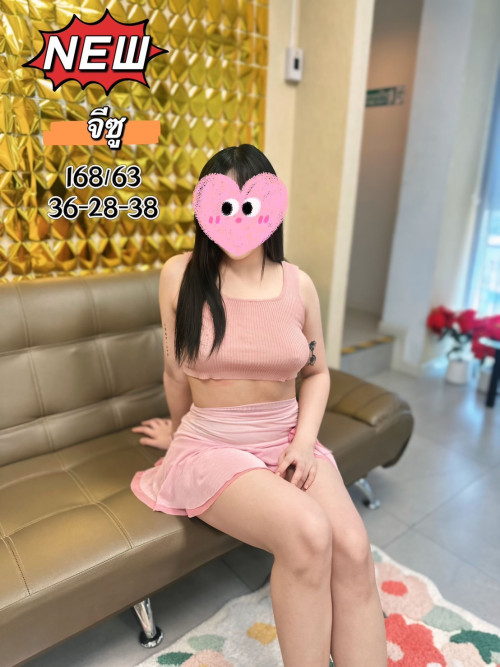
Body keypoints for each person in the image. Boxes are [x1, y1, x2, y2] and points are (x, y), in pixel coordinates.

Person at [130, 145, 388, 667]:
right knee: (308, 532)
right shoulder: (180, 276)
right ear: (206, 209)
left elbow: (317, 373)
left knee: (354, 549)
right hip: (212, 446)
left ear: (271, 208)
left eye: (250, 204)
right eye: (225, 204)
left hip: (289, 440)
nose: (238, 219)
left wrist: (303, 444)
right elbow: (175, 373)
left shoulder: (300, 285)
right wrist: (177, 436)